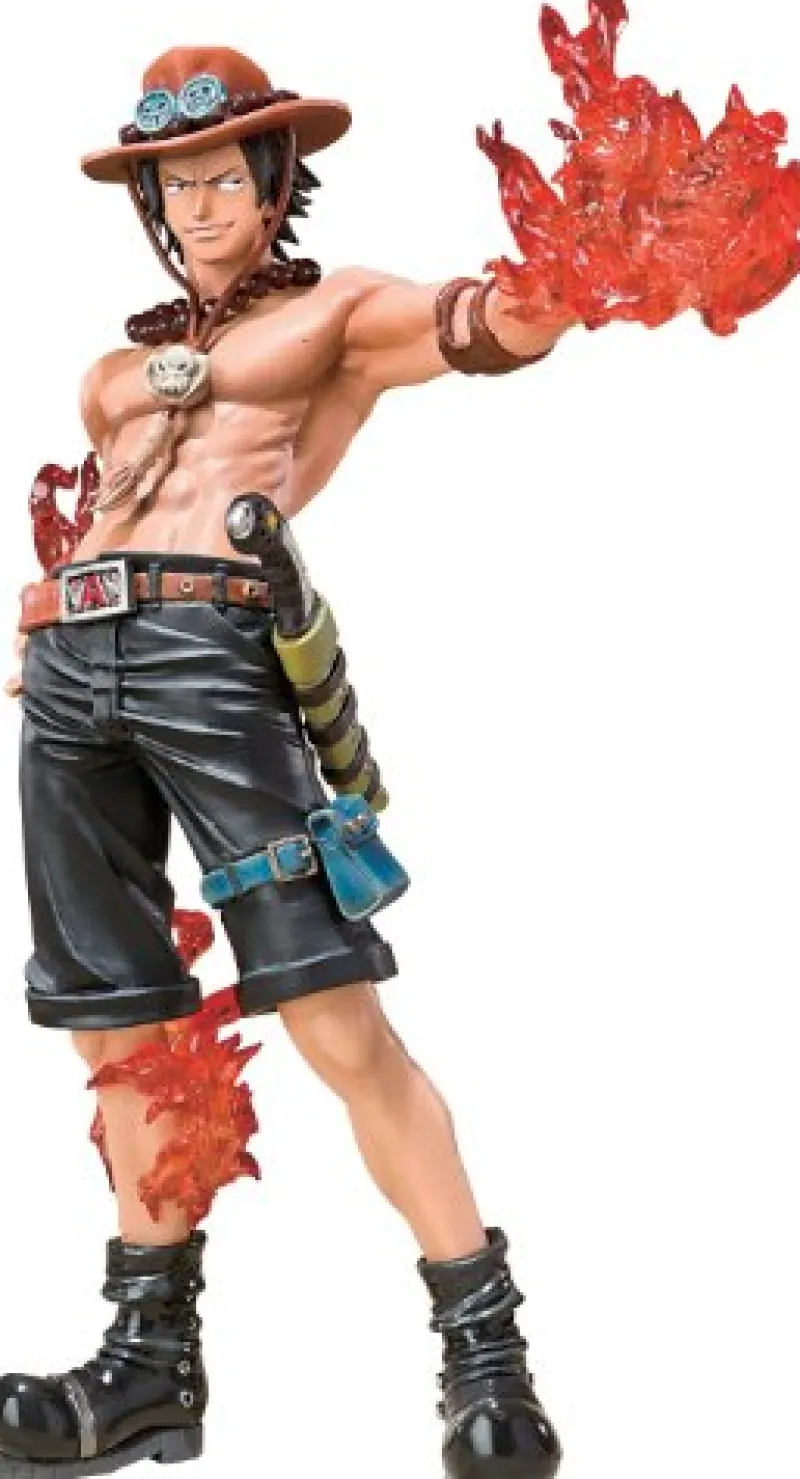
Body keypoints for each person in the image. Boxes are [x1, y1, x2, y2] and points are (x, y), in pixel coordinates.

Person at [0, 44, 574, 1479]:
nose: (197, 204)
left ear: (272, 181)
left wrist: (574, 272)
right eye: (173, 184)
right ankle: (149, 1366)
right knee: (120, 1026)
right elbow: (104, 512)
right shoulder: (112, 373)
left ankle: (486, 1353)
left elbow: (486, 326)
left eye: (221, 176)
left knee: (332, 1015)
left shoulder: (337, 315)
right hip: (73, 676)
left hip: (215, 663)